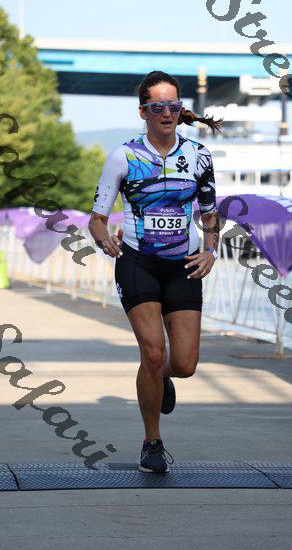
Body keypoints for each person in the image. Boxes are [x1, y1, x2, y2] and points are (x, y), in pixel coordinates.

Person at [88, 70, 222, 473]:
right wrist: (104, 240)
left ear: (180, 110)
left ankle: (159, 374)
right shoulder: (124, 156)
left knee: (184, 364)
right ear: (143, 112)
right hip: (138, 263)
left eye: (173, 106)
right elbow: (96, 219)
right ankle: (152, 442)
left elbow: (210, 215)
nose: (166, 113)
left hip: (183, 265)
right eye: (158, 106)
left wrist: (210, 250)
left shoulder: (199, 156)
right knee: (152, 351)